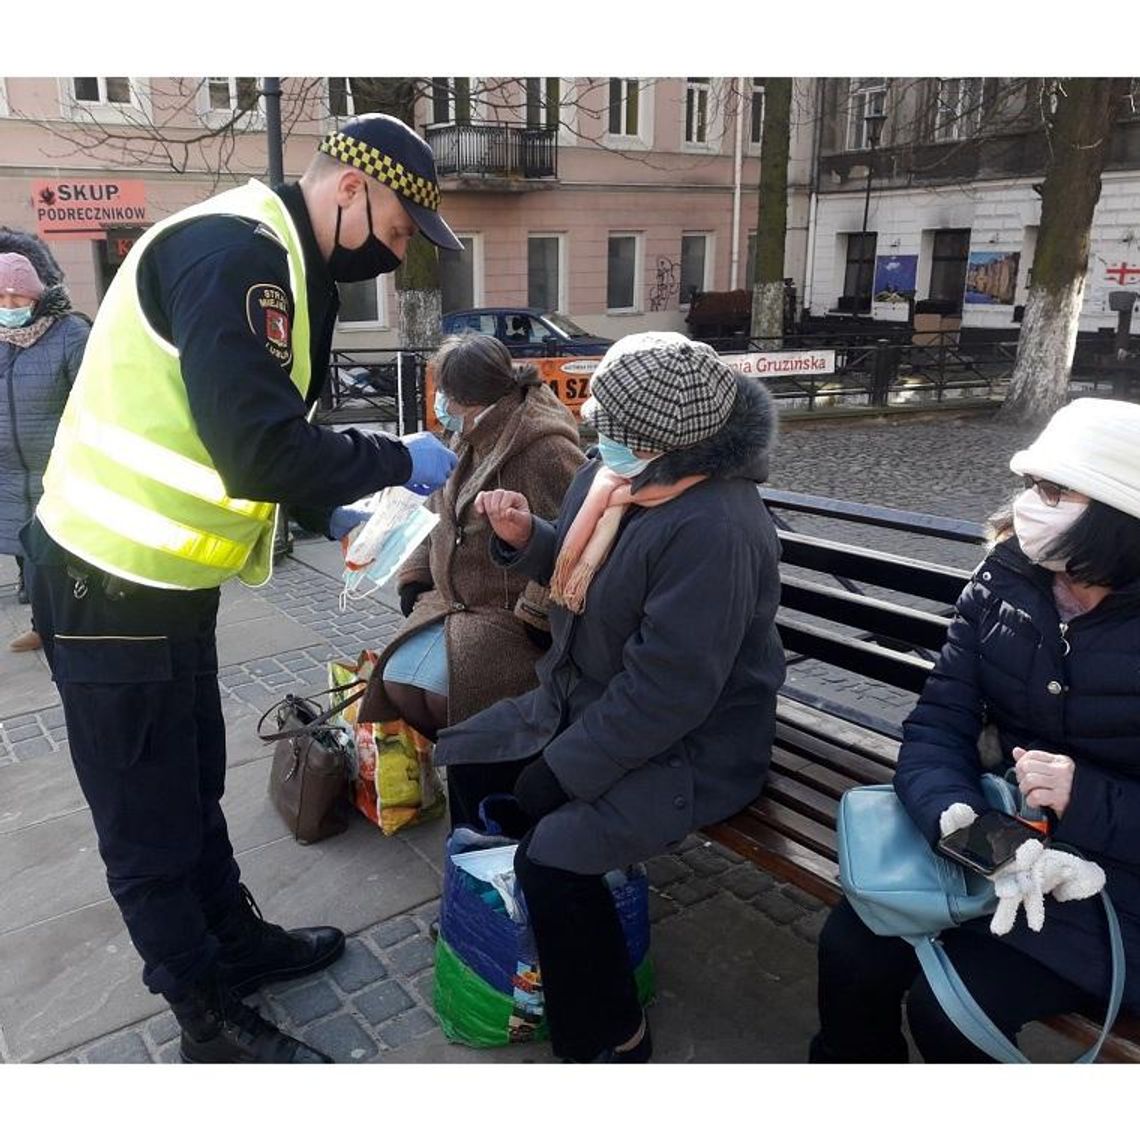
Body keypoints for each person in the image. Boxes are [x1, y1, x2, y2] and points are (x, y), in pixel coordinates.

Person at [21, 113, 461, 1064]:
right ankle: (203, 1015)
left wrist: (321, 515)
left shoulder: (281, 262)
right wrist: (398, 460)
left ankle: (235, 944)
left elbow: (219, 431)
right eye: (395, 232)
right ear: (353, 186)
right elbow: (257, 446)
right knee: (145, 814)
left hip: (166, 586)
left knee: (189, 781)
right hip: (106, 583)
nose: (393, 258)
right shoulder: (235, 253)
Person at [433, 330, 785, 1062]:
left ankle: (611, 1036)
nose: (599, 438)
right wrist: (528, 536)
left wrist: (563, 771)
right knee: (470, 754)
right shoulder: (629, 478)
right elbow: (584, 564)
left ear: (667, 441)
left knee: (554, 855)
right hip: (591, 703)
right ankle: (515, 926)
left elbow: (669, 694)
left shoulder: (715, 526)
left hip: (693, 748)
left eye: (615, 429)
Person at [811, 397, 1140, 1063]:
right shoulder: (1007, 577)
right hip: (1002, 835)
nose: (1028, 506)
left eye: (1053, 491)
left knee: (951, 1010)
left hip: (1118, 886)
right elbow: (938, 722)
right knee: (851, 949)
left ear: (1117, 517)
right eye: (1030, 487)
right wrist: (959, 824)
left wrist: (1085, 799)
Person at [357, 332, 584, 739]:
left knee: (444, 699)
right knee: (396, 683)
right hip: (450, 600)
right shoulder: (469, 428)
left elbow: (574, 539)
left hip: (504, 612)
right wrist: (415, 575)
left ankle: (474, 765)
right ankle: (455, 761)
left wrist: (537, 616)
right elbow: (437, 507)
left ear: (468, 396)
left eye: (443, 393)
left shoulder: (544, 446)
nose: (439, 402)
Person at [0, 237, 88, 652]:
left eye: (17, 294)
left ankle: (78, 627)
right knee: (31, 559)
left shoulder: (70, 334)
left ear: (36, 295)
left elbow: (93, 399)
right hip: (11, 473)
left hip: (60, 471)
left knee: (67, 558)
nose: (10, 302)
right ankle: (44, 626)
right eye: (1, 295)